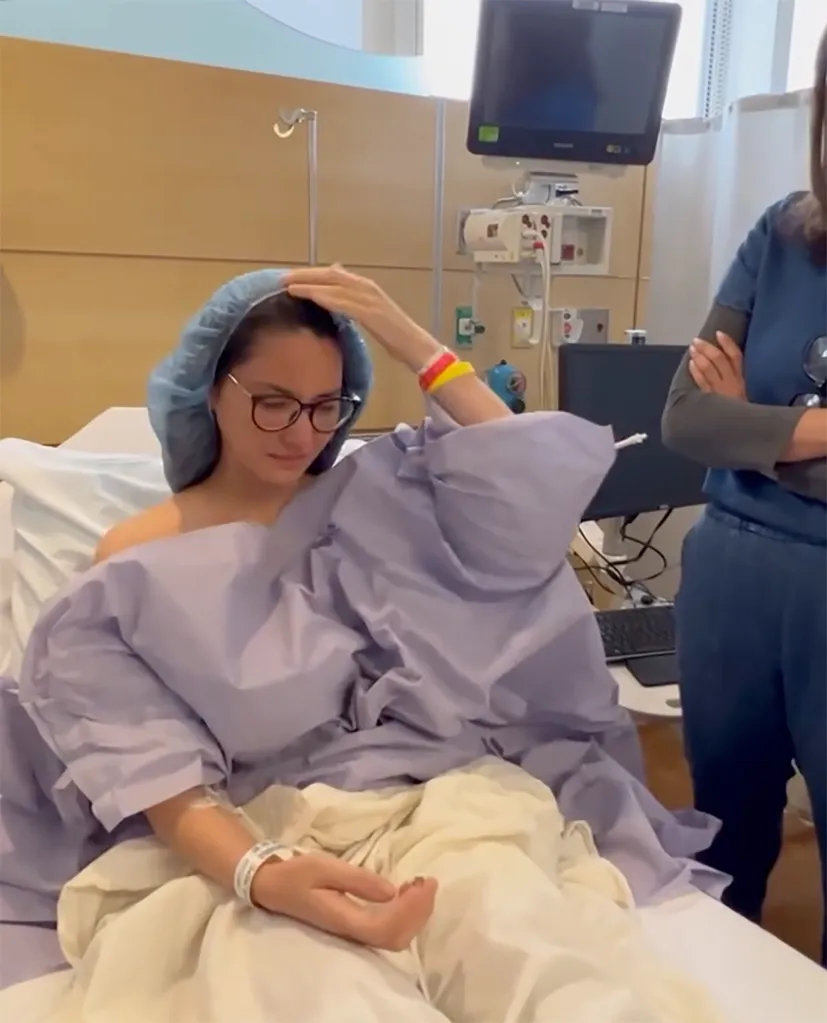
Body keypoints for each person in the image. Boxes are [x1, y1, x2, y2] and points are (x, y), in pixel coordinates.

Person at [0, 266, 722, 1021]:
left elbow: (525, 478)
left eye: (324, 406)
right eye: (273, 403)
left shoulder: (383, 495)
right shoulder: (134, 561)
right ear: (212, 390)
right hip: (261, 826)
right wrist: (261, 873)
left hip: (435, 802)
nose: (303, 433)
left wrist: (413, 342)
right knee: (311, 987)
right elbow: (151, 768)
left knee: (525, 947)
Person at [661, 26, 827, 959]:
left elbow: (726, 425)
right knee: (723, 842)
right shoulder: (783, 233)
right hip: (730, 578)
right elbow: (687, 418)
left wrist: (753, 428)